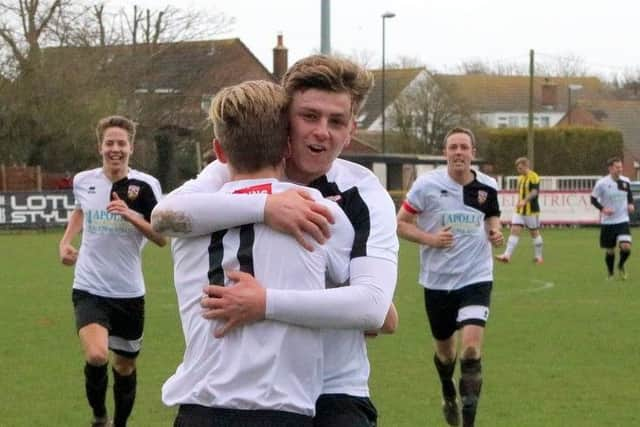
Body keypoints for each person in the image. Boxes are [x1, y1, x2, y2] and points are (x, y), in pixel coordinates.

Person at [151, 54, 399, 427]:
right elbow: (165, 217)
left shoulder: (362, 193)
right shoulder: (226, 169)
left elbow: (375, 309)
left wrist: (265, 302)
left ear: (351, 130)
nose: (322, 131)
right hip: (239, 394)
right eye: (309, 116)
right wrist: (266, 206)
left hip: (335, 387)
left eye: (337, 121)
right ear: (284, 120)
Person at [58, 115, 167, 427]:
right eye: (109, 143)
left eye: (121, 143)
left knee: (124, 366)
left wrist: (131, 215)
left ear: (131, 148)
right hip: (89, 286)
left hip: (129, 292)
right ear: (100, 147)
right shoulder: (84, 180)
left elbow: (161, 238)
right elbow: (81, 210)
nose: (115, 149)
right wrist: (65, 242)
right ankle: (99, 417)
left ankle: (119, 423)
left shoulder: (147, 186)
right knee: (96, 356)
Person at [396, 127, 504, 427]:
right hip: (437, 281)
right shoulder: (426, 186)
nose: (458, 152)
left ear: (473, 152)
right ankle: (447, 390)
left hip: (476, 276)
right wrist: (430, 239)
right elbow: (400, 225)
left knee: (471, 348)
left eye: (464, 147)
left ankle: (468, 422)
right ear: (445, 153)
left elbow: (492, 215)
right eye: (453, 147)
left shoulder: (486, 186)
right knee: (446, 354)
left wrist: (495, 230)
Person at [590, 156, 634, 280]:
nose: (620, 169)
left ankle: (620, 265)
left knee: (626, 246)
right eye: (617, 167)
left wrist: (630, 203)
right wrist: (603, 209)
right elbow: (593, 199)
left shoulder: (625, 181)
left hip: (622, 220)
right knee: (610, 251)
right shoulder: (602, 183)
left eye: (621, 167)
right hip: (608, 222)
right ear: (610, 168)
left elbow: (628, 193)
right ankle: (610, 274)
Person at [495, 157, 543, 264]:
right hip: (520, 210)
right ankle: (506, 256)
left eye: (520, 168)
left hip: (531, 211)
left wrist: (525, 201)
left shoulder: (534, 177)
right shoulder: (520, 178)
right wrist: (520, 202)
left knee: (534, 233)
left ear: (526, 166)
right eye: (517, 168)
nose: (518, 170)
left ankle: (539, 257)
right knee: (514, 230)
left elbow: (534, 192)